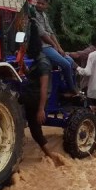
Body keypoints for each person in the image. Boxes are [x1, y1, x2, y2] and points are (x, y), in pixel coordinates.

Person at [22, 9, 58, 161]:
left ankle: (50, 156)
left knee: (35, 127)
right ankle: (48, 154)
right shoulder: (36, 61)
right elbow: (30, 74)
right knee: (32, 127)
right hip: (29, 96)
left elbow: (44, 87)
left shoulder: (43, 63)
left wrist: (41, 109)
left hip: (36, 99)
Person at [33, 0, 78, 93]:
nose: (39, 5)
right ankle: (72, 89)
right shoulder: (33, 14)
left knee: (70, 60)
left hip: (50, 45)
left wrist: (59, 47)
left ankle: (64, 86)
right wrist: (54, 45)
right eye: (38, 3)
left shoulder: (43, 15)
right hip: (43, 46)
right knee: (66, 64)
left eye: (42, 4)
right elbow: (42, 34)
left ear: (47, 5)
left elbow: (51, 32)